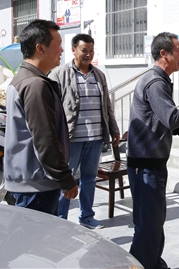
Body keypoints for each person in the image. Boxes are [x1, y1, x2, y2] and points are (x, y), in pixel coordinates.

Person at [127, 32, 179, 269]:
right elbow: (171, 116)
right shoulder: (155, 82)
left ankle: (154, 263)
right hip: (146, 165)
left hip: (151, 163)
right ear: (164, 54)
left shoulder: (159, 80)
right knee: (148, 227)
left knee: (153, 224)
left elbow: (159, 118)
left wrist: (177, 130)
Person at [4, 20, 78, 215]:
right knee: (37, 234)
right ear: (40, 48)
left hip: (30, 182)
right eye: (58, 44)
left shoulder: (23, 79)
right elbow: (45, 138)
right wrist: (64, 178)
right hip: (36, 186)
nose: (62, 50)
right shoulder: (35, 84)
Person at [50, 34, 121, 229]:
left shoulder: (99, 75)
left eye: (91, 51)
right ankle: (60, 220)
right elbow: (52, 108)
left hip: (95, 137)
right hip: (71, 139)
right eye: (84, 50)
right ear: (73, 50)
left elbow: (107, 105)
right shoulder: (59, 74)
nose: (88, 54)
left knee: (89, 178)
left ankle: (87, 216)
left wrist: (113, 129)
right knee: (67, 179)